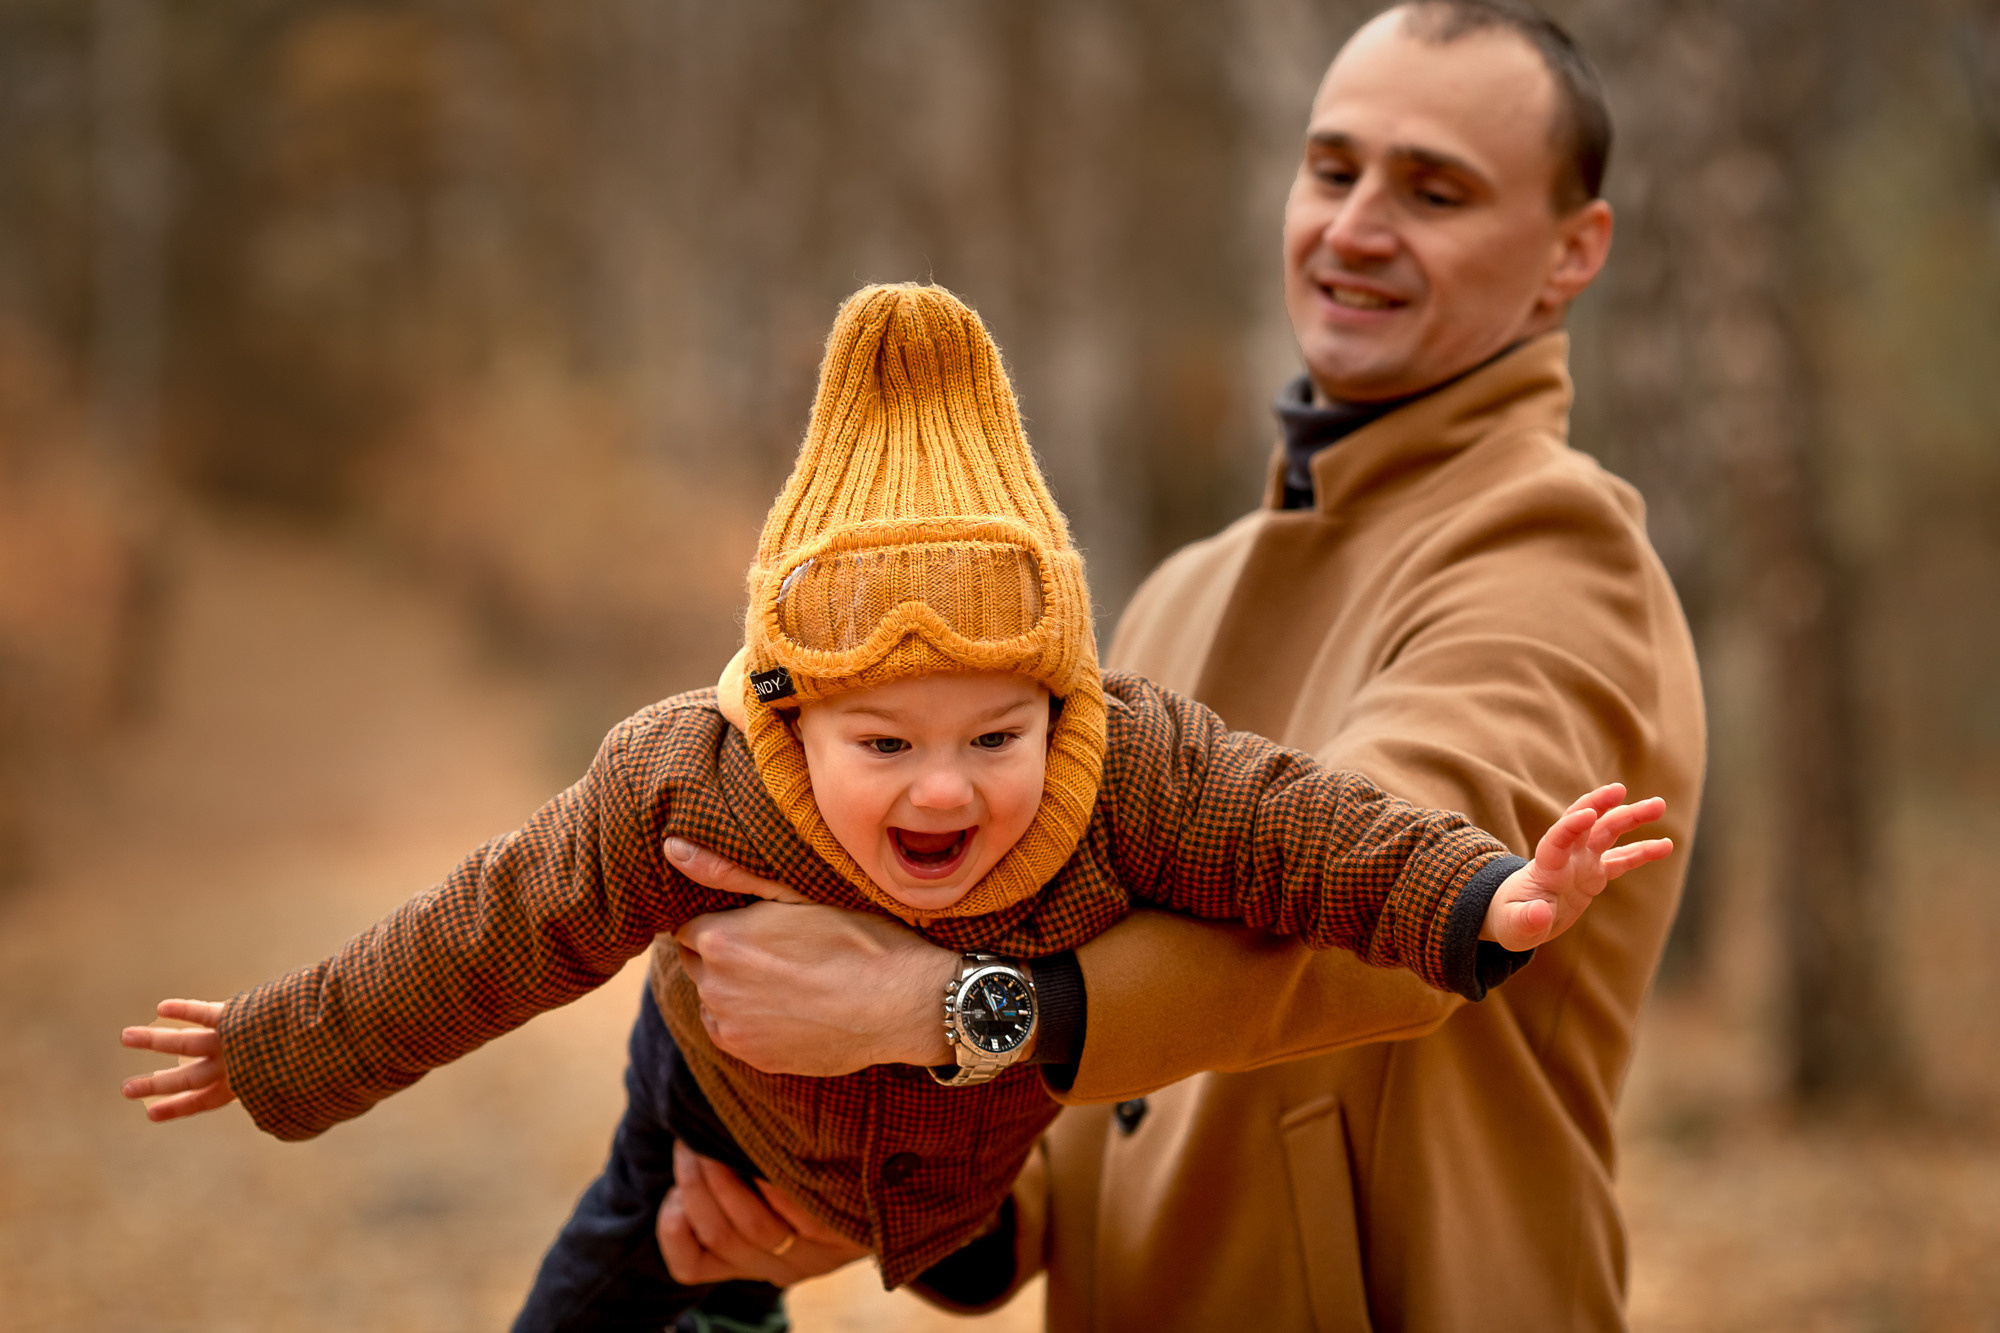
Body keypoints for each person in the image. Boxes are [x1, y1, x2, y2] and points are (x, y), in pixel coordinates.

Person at [118, 283, 1671, 1331]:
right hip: (722, 1130)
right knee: (623, 1281)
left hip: (970, 1173)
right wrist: (283, 1044)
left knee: (965, 1251)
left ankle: (954, 1234)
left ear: (1063, 701)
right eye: (888, 743)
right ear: (791, 706)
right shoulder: (690, 777)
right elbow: (490, 928)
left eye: (998, 730)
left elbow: (1301, 831)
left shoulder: (1129, 762)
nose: (948, 787)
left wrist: (1473, 897)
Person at [650, 2, 1706, 1329]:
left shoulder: (1555, 555)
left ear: (1572, 253)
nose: (1357, 225)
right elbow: (1091, 1087)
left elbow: (1397, 925)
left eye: (1434, 189)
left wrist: (931, 1007)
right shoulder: (1184, 590)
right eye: (1333, 169)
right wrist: (881, 1205)